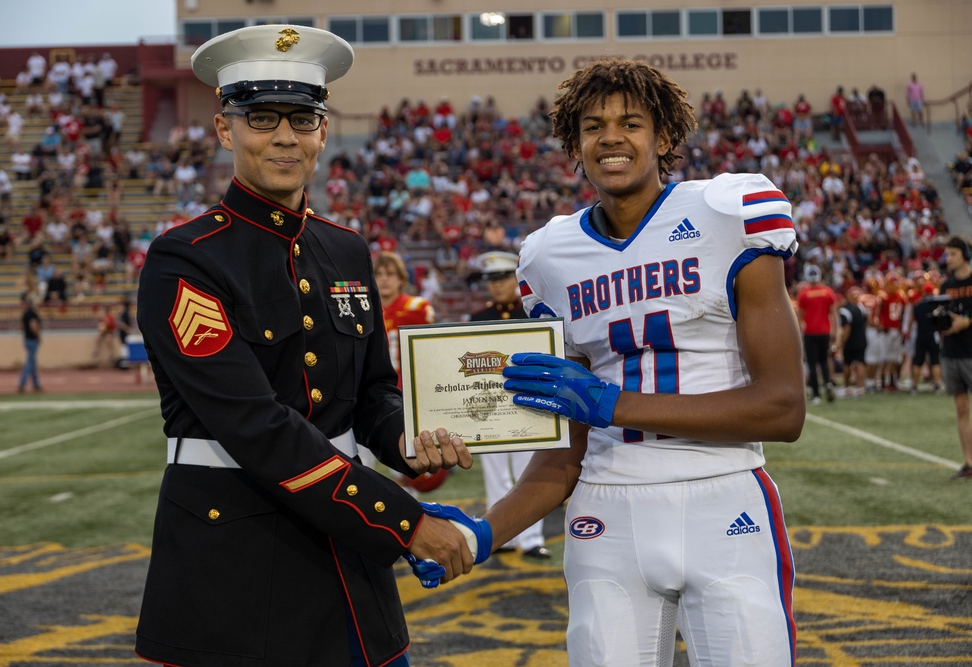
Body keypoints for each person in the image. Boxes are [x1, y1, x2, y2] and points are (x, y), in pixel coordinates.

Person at [133, 25, 481, 666]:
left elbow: (374, 389)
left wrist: (407, 440)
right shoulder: (184, 259)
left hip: (351, 577)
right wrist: (404, 521)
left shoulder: (345, 248)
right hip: (234, 575)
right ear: (223, 129)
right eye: (261, 118)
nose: (285, 137)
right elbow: (258, 427)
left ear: (324, 131)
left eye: (303, 118)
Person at [486, 58, 805, 665]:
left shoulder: (728, 212)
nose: (610, 136)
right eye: (592, 125)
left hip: (724, 498)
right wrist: (483, 532)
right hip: (605, 511)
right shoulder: (548, 256)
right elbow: (562, 455)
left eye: (630, 122)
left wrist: (610, 402)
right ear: (574, 146)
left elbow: (783, 409)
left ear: (663, 139)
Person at [470, 250, 551, 560]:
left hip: (525, 399)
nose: (496, 286)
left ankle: (531, 538)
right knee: (493, 468)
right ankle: (500, 534)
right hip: (490, 402)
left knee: (528, 468)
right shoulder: (479, 318)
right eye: (491, 280)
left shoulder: (531, 314)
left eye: (502, 278)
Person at [367, 250, 448, 494]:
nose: (384, 279)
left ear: (402, 278)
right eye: (378, 274)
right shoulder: (364, 308)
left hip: (405, 396)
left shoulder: (417, 307)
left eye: (390, 274)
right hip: (367, 396)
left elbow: (431, 354)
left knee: (408, 467)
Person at [938, 236, 972, 480]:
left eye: (952, 254)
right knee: (961, 409)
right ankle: (969, 462)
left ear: (964, 255)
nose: (948, 259)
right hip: (951, 351)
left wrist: (967, 322)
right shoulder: (946, 285)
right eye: (947, 255)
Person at [797, 263, 838, 404]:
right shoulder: (827, 292)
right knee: (824, 361)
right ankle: (827, 383)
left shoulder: (804, 294)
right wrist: (835, 331)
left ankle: (816, 394)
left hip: (810, 332)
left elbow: (799, 316)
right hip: (824, 331)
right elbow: (834, 314)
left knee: (812, 364)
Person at [836, 286, 869, 398]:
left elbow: (847, 329)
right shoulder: (861, 307)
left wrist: (842, 342)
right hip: (861, 339)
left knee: (847, 364)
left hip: (851, 341)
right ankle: (860, 388)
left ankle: (847, 388)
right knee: (860, 363)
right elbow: (865, 322)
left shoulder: (844, 310)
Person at [17, 294, 42, 393]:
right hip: (32, 340)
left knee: (32, 363)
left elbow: (22, 327)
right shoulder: (32, 314)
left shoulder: (25, 314)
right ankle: (22, 383)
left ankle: (36, 385)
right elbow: (33, 326)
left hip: (26, 339)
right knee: (30, 363)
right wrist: (38, 336)